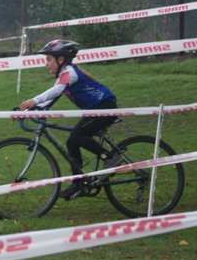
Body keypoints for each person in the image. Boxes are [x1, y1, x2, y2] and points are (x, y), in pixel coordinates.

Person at [19, 39, 122, 200]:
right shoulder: (64, 75)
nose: (46, 64)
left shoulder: (70, 72)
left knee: (77, 136)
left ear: (61, 60)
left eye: (49, 60)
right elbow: (51, 100)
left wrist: (34, 100)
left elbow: (56, 90)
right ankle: (78, 183)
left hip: (105, 107)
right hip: (96, 109)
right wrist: (29, 110)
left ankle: (110, 157)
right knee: (72, 141)